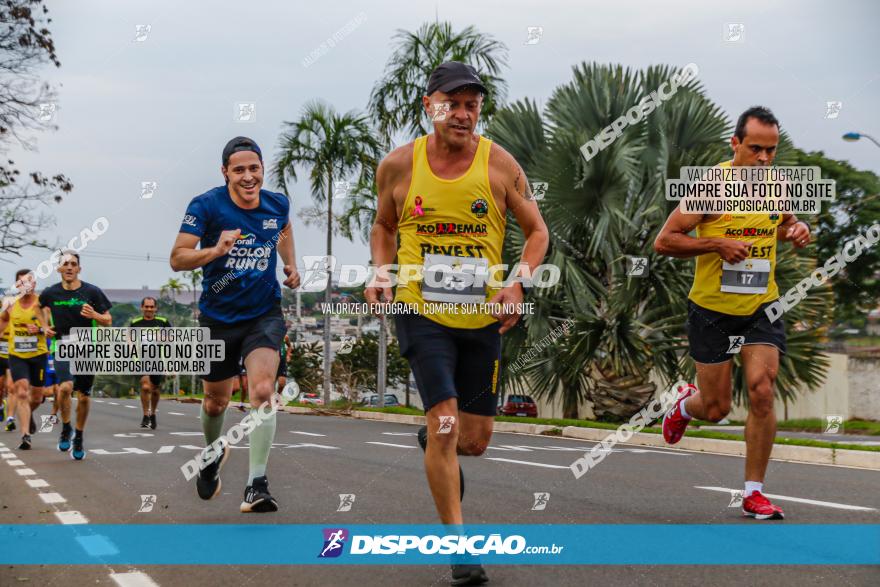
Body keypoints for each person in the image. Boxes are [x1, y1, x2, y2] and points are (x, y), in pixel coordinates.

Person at [365, 62, 548, 585]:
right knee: (445, 422)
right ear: (429, 106)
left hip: (481, 318)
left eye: (472, 104)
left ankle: (434, 444)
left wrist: (518, 284)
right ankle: (459, 547)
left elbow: (537, 232)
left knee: (473, 440)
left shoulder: (500, 165)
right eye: (452, 102)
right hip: (420, 312)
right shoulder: (399, 166)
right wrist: (381, 270)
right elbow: (383, 224)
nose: (463, 114)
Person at [654, 106, 811, 520]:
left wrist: (795, 230)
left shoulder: (776, 185)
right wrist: (716, 244)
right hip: (712, 310)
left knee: (762, 389)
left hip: (762, 304)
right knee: (717, 407)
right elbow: (665, 240)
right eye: (756, 148)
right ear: (735, 143)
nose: (763, 159)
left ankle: (754, 492)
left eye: (771, 151)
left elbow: (781, 223)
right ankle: (686, 405)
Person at [170, 136, 300, 513]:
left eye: (254, 168)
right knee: (216, 401)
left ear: (263, 169)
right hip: (218, 318)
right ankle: (212, 455)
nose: (248, 177)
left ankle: (256, 484)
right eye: (239, 169)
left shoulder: (277, 203)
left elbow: (284, 230)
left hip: (263, 315)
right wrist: (215, 250)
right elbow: (177, 259)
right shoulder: (206, 205)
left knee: (262, 391)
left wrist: (290, 265)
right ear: (225, 172)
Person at [38, 251, 113, 460]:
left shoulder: (92, 291)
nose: (69, 267)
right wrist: (44, 326)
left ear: (79, 269)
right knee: (64, 388)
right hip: (62, 344)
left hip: (87, 346)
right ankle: (66, 427)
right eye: (65, 264)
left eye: (73, 264)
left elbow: (108, 319)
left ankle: (79, 435)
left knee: (84, 395)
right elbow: (38, 307)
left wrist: (95, 315)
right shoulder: (51, 292)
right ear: (59, 269)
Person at [0, 270, 53, 450]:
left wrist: (39, 330)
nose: (26, 286)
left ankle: (28, 413)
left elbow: (52, 328)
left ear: (34, 285)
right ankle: (25, 435)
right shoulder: (9, 304)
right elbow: (3, 322)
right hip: (17, 355)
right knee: (21, 392)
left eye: (29, 282)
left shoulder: (42, 305)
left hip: (38, 354)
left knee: (37, 397)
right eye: (22, 283)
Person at [130, 297, 172, 429]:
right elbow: (130, 339)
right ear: (142, 308)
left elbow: (172, 338)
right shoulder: (135, 323)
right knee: (145, 387)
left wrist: (162, 338)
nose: (149, 309)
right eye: (146, 306)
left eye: (151, 306)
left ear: (155, 308)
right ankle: (145, 414)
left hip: (158, 359)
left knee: (154, 389)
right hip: (142, 359)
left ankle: (153, 413)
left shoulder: (163, 322)